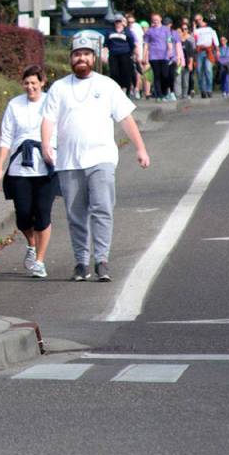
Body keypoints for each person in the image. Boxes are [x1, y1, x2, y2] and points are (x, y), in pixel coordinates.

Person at [41, 33, 150, 282]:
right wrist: (46, 143)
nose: (82, 58)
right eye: (77, 54)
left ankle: (102, 260)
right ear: (71, 58)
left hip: (102, 157)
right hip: (69, 161)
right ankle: (81, 262)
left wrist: (140, 148)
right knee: (76, 214)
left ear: (94, 58)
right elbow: (48, 119)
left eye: (86, 54)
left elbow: (126, 118)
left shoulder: (107, 85)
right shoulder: (59, 88)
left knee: (102, 209)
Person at [0, 65, 56, 279]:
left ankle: (39, 261)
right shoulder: (15, 104)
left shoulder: (51, 103)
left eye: (34, 83)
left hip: (46, 166)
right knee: (23, 215)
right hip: (20, 167)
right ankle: (31, 244)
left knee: (43, 213)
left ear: (42, 83)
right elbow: (6, 138)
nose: (30, 87)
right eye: (26, 83)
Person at [143, 13, 173, 100]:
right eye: (154, 19)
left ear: (160, 19)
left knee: (165, 75)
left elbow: (169, 40)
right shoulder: (149, 31)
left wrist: (170, 50)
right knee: (157, 75)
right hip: (153, 55)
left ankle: (164, 92)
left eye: (157, 19)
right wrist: (144, 56)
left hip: (164, 55)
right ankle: (159, 95)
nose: (155, 21)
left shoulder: (166, 29)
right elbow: (146, 44)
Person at [105, 15, 135, 92]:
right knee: (114, 72)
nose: (118, 23)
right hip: (113, 54)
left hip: (125, 54)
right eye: (116, 22)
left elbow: (132, 43)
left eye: (119, 21)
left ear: (122, 22)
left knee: (125, 71)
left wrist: (131, 53)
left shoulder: (127, 31)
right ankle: (116, 88)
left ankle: (125, 88)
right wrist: (106, 52)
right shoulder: (110, 31)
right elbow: (106, 43)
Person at [192, 14, 220, 98]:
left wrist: (217, 50)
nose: (198, 21)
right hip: (199, 51)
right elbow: (194, 39)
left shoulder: (209, 28)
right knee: (199, 71)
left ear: (202, 19)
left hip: (208, 51)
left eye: (199, 19)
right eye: (196, 20)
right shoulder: (196, 30)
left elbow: (215, 38)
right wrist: (194, 27)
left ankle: (209, 89)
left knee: (208, 70)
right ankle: (203, 90)